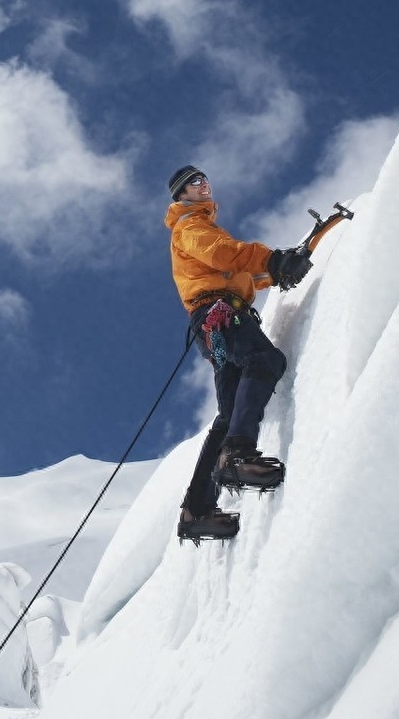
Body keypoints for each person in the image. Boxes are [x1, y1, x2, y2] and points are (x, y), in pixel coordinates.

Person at [165, 164, 312, 545]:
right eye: (194, 182)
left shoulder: (197, 227)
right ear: (181, 194)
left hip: (213, 317)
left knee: (229, 413)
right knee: (264, 361)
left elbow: (235, 274)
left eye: (204, 178)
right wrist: (272, 259)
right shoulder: (192, 226)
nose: (204, 184)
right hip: (220, 313)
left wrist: (274, 273)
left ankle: (196, 510)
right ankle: (237, 454)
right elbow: (222, 255)